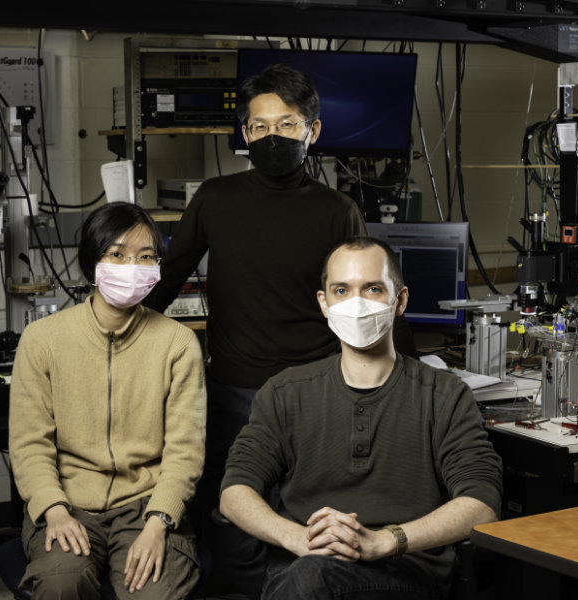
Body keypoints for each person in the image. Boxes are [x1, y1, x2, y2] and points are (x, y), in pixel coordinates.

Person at [142, 63, 369, 597]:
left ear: (313, 131)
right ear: (244, 134)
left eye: (287, 125)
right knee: (235, 521)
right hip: (235, 394)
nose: (273, 137)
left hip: (318, 393)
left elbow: (363, 301)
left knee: (311, 518)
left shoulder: (339, 211)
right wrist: (108, 332)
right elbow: (167, 281)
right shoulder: (215, 199)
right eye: (261, 126)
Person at [219, 237, 503, 600]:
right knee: (311, 577)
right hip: (300, 568)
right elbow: (234, 491)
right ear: (324, 303)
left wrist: (385, 541)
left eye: (372, 288)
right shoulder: (286, 392)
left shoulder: (443, 394)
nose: (355, 303)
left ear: (399, 300)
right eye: (341, 290)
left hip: (403, 572)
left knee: (313, 581)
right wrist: (296, 538)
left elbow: (482, 503)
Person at [9, 201, 206, 600]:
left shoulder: (178, 343)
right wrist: (54, 510)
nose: (131, 266)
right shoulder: (42, 340)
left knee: (153, 592)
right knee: (61, 584)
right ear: (91, 262)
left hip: (145, 505)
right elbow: (30, 443)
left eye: (145, 256)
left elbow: (185, 451)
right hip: (69, 503)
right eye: (116, 254)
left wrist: (158, 524)